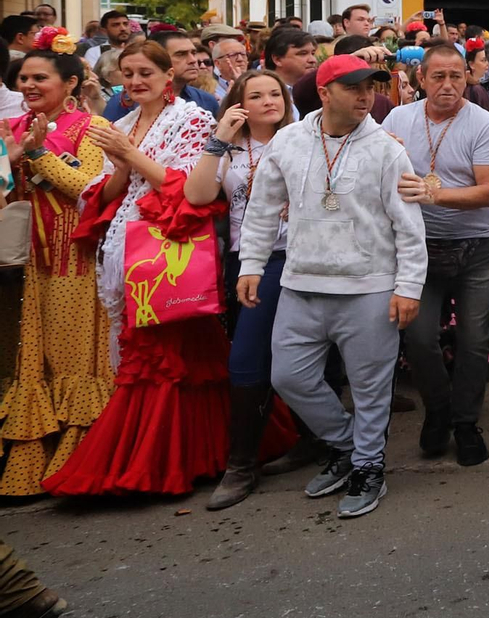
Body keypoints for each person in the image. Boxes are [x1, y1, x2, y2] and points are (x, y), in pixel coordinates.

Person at [238, 54, 424, 518]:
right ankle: (348, 445)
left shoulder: (387, 148)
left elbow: (409, 225)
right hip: (303, 283)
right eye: (355, 87)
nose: (367, 96)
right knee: (288, 376)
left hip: (369, 287)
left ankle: (367, 465)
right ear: (324, 92)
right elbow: (262, 209)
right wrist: (251, 264)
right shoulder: (288, 141)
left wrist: (409, 286)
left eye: (372, 87)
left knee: (370, 387)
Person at [43, 40, 231, 496]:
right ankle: (187, 454)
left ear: (169, 76)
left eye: (145, 71)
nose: (135, 81)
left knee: (166, 355)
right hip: (124, 248)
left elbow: (188, 187)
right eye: (127, 73)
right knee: (149, 353)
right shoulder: (121, 123)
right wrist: (122, 165)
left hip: (169, 250)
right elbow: (104, 196)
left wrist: (128, 156)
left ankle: (162, 461)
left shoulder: (193, 118)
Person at [0, 42, 115, 496]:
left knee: (72, 360)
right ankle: (34, 465)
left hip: (77, 261)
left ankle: (79, 463)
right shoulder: (12, 127)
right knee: (36, 361)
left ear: (70, 84)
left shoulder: (92, 126)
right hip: (29, 264)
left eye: (39, 78)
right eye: (23, 79)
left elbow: (86, 189)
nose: (28, 86)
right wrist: (14, 157)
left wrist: (37, 154)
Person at [387, 43, 489, 466]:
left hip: (474, 248)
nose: (449, 85)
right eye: (438, 76)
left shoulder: (483, 124)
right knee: (418, 338)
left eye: (457, 76)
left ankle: (465, 423)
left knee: (474, 341)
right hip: (418, 249)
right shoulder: (398, 119)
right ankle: (438, 410)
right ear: (421, 79)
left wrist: (433, 194)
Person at [184, 69, 295, 509]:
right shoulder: (229, 147)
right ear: (238, 104)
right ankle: (250, 459)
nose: (270, 100)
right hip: (244, 262)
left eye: (276, 93)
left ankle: (242, 464)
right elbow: (196, 195)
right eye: (257, 95)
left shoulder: (303, 138)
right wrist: (218, 137)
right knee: (252, 356)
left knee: (260, 355)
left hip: (293, 256)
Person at [102, 31, 221, 120]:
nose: (193, 60)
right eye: (181, 54)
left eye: (193, 53)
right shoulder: (123, 103)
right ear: (158, 57)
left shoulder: (206, 101)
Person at [211, 35, 250, 101]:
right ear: (218, 63)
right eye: (233, 55)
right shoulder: (211, 91)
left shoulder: (258, 83)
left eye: (243, 54)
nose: (240, 59)